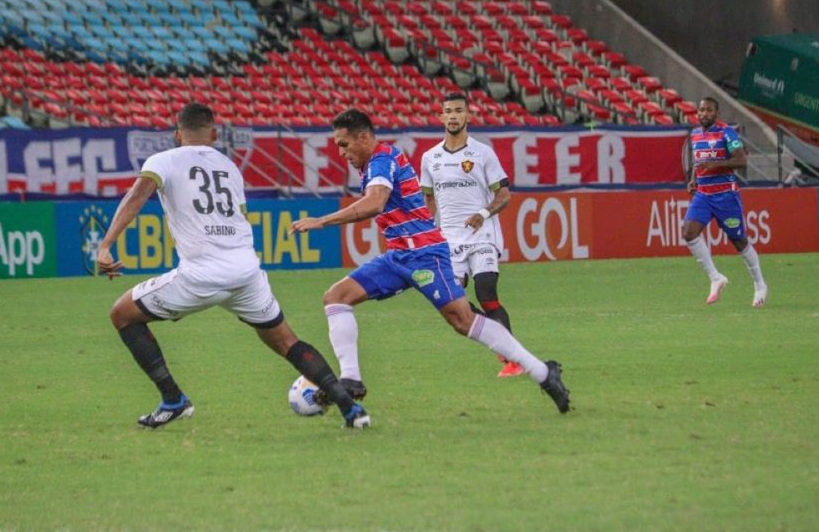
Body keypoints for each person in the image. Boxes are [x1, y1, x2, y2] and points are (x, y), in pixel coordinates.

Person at [96, 102, 370, 429]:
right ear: (213, 134)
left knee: (122, 314)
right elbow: (238, 216)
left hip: (201, 274)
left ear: (176, 134)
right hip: (246, 272)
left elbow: (137, 196)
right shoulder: (229, 166)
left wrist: (106, 244)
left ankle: (173, 400)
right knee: (286, 341)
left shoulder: (163, 160)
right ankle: (352, 411)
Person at [290, 108, 570, 413]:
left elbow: (375, 202)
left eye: (344, 144)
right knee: (336, 298)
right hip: (399, 255)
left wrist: (322, 221)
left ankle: (543, 373)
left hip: (425, 253)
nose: (340, 152)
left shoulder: (382, 160)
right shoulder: (375, 162)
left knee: (463, 321)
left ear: (364, 137)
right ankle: (352, 380)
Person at [419, 92, 523, 377]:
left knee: (486, 292)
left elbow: (504, 194)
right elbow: (428, 200)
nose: (453, 116)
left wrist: (484, 214)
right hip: (449, 240)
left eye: (458, 111)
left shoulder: (482, 153)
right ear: (441, 117)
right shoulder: (430, 158)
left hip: (482, 235)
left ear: (467, 116)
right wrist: (425, 229)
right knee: (453, 305)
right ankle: (499, 339)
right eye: (448, 111)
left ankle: (513, 360)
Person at [683, 97, 768, 307]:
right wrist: (693, 180)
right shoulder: (695, 134)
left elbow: (741, 160)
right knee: (689, 233)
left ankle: (760, 284)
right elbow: (698, 161)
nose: (703, 114)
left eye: (708, 110)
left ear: (716, 113)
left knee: (739, 242)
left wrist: (714, 164)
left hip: (725, 196)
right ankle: (716, 277)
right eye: (701, 110)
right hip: (703, 194)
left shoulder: (727, 133)